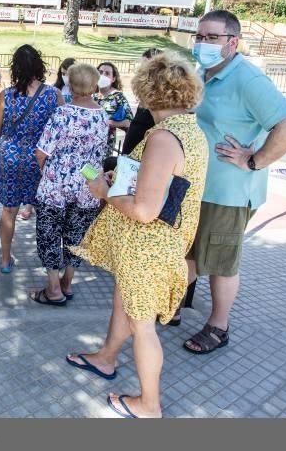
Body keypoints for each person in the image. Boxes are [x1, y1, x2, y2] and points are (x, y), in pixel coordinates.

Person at [67, 53, 209, 419]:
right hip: (162, 243)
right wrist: (124, 185)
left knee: (141, 324)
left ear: (148, 92)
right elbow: (164, 191)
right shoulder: (190, 130)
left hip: (149, 247)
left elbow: (145, 211)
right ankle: (106, 358)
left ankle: (149, 404)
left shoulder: (162, 138)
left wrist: (104, 191)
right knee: (123, 303)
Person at [182, 10, 286, 354]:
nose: (202, 43)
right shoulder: (204, 73)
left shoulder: (248, 80)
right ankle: (173, 304)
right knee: (190, 252)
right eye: (199, 36)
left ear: (232, 42)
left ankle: (218, 326)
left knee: (221, 261)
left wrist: (254, 160)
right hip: (199, 186)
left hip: (229, 192)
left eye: (212, 38)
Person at [32, 64, 109, 305]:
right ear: (95, 86)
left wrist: (46, 171)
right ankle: (67, 281)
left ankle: (53, 288)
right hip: (88, 185)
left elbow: (41, 152)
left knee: (49, 234)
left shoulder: (62, 114)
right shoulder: (102, 116)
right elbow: (99, 153)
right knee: (77, 235)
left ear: (70, 85)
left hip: (56, 185)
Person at [0, 44, 63, 273]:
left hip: (9, 158)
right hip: (39, 160)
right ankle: (49, 264)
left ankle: (4, 260)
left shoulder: (7, 95)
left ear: (16, 68)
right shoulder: (53, 95)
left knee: (9, 210)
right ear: (39, 66)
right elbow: (61, 130)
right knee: (44, 211)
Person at [95, 62, 134, 155]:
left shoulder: (118, 97)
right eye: (100, 72)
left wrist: (111, 123)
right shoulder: (90, 93)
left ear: (113, 79)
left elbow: (129, 122)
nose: (103, 75)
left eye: (107, 73)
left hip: (105, 146)